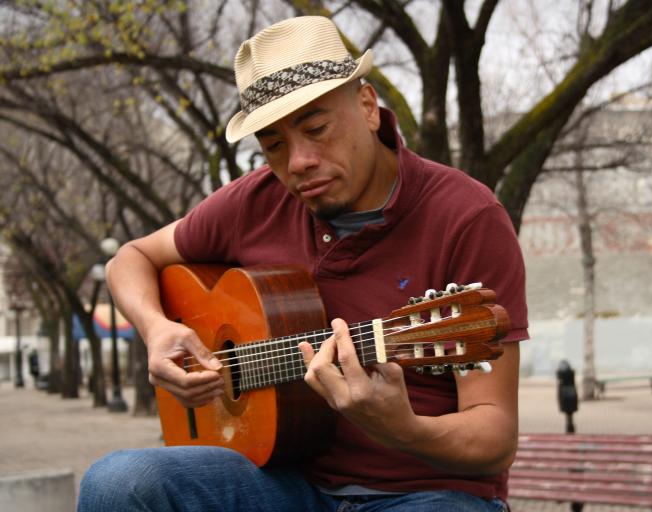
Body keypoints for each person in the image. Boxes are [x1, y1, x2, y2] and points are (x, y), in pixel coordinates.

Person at [78, 15, 528, 512]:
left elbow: (494, 439)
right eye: (273, 146)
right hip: (285, 483)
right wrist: (156, 328)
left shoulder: (466, 216)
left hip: (425, 493)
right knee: (117, 482)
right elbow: (131, 257)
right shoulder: (254, 202)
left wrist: (404, 428)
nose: (297, 163)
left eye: (316, 129)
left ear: (367, 107)